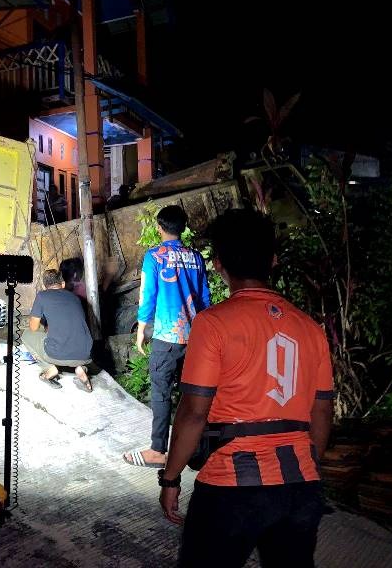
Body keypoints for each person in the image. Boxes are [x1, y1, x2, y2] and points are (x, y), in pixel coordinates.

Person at [157, 209, 334, 568]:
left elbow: (193, 411)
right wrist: (308, 465)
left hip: (231, 489)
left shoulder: (213, 323)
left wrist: (170, 477)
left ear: (219, 264)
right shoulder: (311, 329)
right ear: (273, 259)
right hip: (300, 488)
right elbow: (322, 411)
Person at [123, 205, 210, 468]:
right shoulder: (196, 257)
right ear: (183, 227)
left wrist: (141, 332)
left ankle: (158, 450)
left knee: (161, 394)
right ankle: (192, 448)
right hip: (195, 339)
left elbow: (147, 296)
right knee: (192, 396)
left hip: (166, 338)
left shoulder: (154, 256)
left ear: (160, 228)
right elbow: (205, 298)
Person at [23, 269, 93, 392]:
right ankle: (81, 369)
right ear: (63, 284)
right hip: (86, 354)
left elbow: (33, 327)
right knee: (71, 338)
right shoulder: (76, 298)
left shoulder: (42, 295)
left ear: (45, 286)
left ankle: (49, 369)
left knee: (26, 334)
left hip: (57, 354)